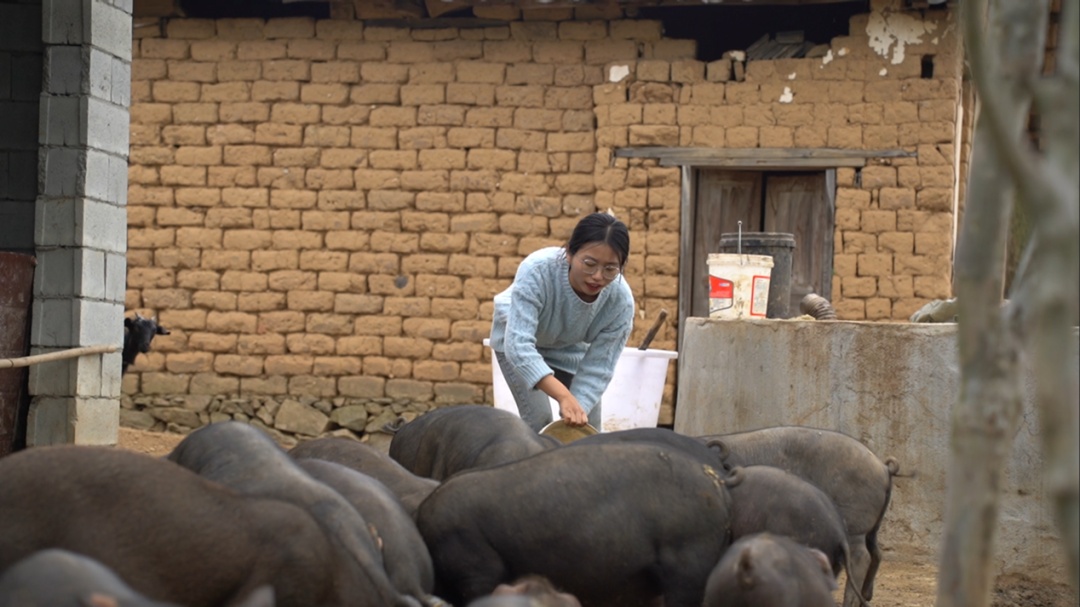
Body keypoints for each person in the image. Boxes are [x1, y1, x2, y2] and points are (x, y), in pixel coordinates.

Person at [489, 212, 635, 433]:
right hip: (518, 341)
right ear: (569, 252)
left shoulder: (620, 302)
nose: (597, 276)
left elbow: (599, 366)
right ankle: (531, 466)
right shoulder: (537, 271)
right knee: (540, 421)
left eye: (610, 269)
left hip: (569, 348)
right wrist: (563, 396)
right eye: (589, 263)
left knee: (587, 427)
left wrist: (575, 409)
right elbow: (518, 346)